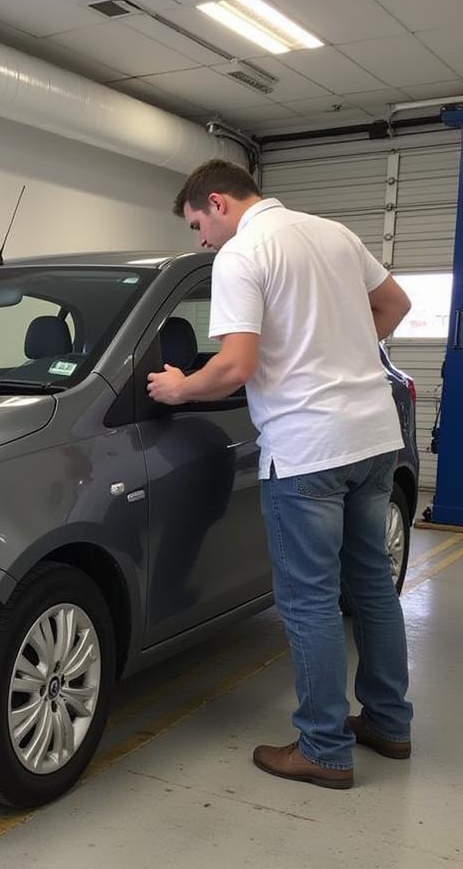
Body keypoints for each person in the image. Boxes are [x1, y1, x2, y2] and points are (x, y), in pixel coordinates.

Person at [148, 158, 414, 789]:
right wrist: (338, 353)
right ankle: (389, 723)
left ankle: (322, 748)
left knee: (310, 601)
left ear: (217, 202)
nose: (200, 240)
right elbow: (395, 305)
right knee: (372, 587)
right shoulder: (332, 233)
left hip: (306, 450)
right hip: (374, 437)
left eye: (196, 225)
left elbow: (235, 367)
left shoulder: (243, 254)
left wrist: (182, 388)